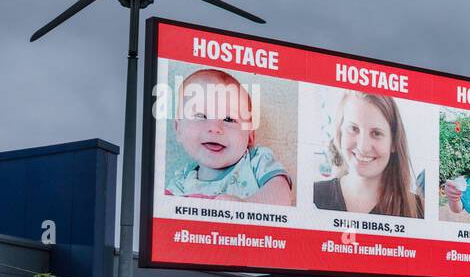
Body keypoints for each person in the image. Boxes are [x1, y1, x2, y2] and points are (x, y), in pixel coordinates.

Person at [167, 68, 292, 203]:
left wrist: (245, 207)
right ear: (178, 129)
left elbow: (282, 193)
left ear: (250, 136)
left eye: (229, 119)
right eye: (201, 116)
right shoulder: (181, 182)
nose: (214, 128)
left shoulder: (256, 160)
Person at [314, 92, 424, 218]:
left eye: (376, 133)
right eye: (353, 129)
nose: (363, 147)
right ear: (340, 132)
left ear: (394, 142)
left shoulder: (419, 210)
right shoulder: (313, 196)